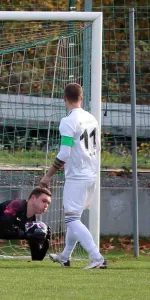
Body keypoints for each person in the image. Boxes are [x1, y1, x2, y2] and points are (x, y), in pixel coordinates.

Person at [39, 83, 107, 269]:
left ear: (64, 99)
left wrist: (48, 176)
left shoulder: (68, 121)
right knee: (74, 216)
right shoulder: (91, 118)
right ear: (82, 98)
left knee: (71, 219)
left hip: (77, 176)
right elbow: (98, 147)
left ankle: (96, 257)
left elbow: (64, 153)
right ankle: (65, 256)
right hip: (91, 174)